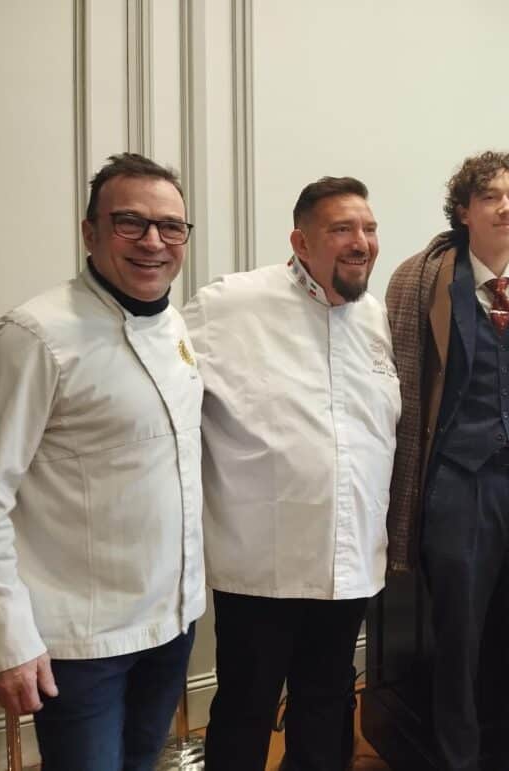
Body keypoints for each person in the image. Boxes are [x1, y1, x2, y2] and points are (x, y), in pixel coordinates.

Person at [0, 152, 203, 770]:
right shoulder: (31, 337)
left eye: (170, 226)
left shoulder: (175, 325)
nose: (154, 241)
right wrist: (3, 639)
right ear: (90, 231)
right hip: (79, 640)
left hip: (171, 623)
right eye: (130, 222)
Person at [182, 176, 400, 771]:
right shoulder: (230, 304)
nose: (361, 242)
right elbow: (163, 393)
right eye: (342, 229)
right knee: (247, 707)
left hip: (349, 559)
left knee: (329, 702)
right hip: (262, 564)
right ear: (301, 242)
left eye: (369, 228)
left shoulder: (375, 320)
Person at [384, 151, 509, 771]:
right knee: (457, 653)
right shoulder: (421, 279)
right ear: (464, 211)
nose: (507, 207)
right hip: (457, 489)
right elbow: (398, 384)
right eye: (491, 197)